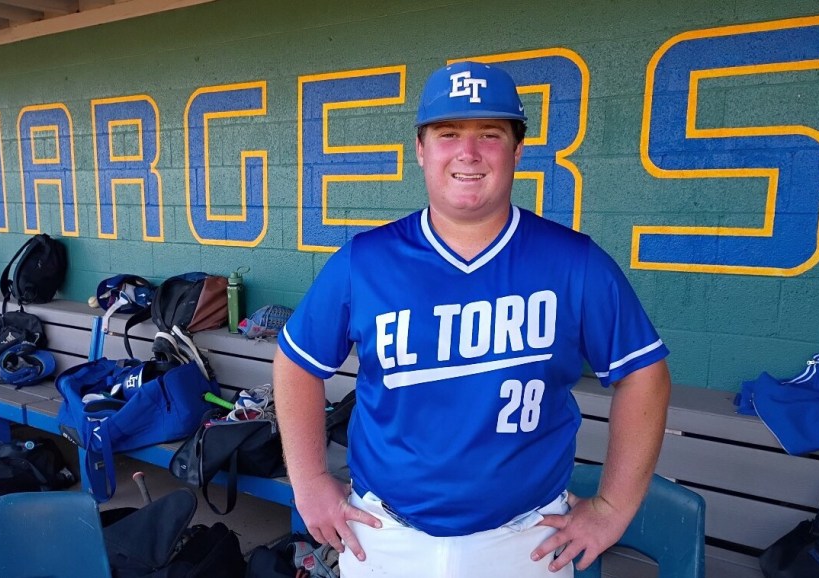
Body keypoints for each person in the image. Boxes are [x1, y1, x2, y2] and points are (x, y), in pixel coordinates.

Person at [273, 60, 671, 577]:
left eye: (490, 133)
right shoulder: (364, 262)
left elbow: (645, 374)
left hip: (527, 541)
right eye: (448, 133)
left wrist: (613, 508)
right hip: (384, 536)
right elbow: (297, 363)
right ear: (421, 149)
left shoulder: (575, 263)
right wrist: (308, 482)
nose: (468, 151)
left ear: (517, 151)